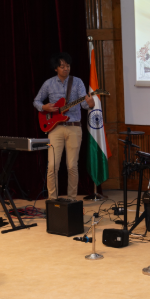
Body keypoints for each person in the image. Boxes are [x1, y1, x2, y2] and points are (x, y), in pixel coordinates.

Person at [33, 52, 99, 202]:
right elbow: (36, 101)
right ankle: (52, 199)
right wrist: (44, 107)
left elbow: (84, 103)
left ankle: (71, 200)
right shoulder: (49, 83)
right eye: (62, 66)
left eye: (68, 66)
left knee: (72, 166)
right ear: (55, 68)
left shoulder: (77, 82)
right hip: (55, 129)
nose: (66, 69)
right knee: (52, 166)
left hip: (74, 127)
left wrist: (90, 104)